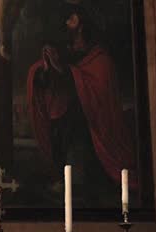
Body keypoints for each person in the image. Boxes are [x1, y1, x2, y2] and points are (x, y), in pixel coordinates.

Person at [27, 4, 135, 197]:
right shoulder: (64, 53)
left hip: (89, 137)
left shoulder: (100, 60)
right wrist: (43, 69)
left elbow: (98, 98)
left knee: (80, 171)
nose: (64, 24)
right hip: (64, 129)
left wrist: (65, 72)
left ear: (78, 21)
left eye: (69, 19)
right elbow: (51, 84)